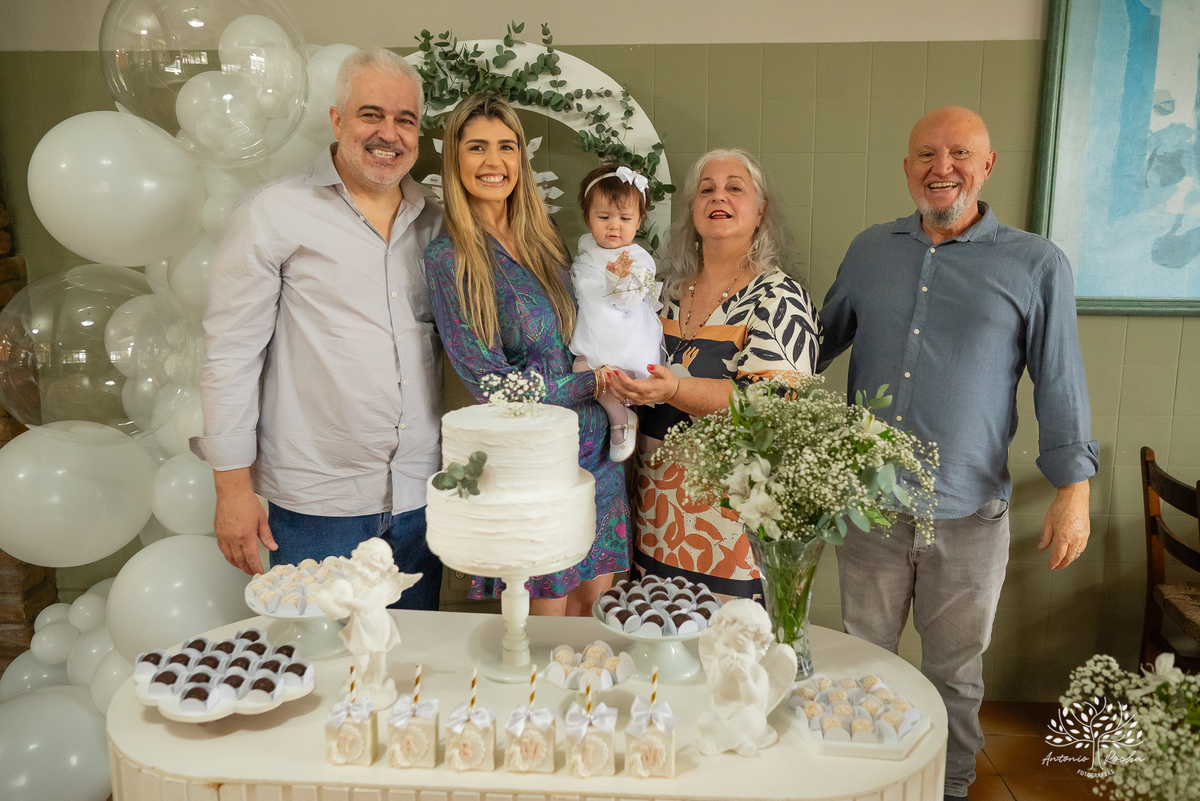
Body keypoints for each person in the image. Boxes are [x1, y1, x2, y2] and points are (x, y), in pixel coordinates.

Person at [818, 105, 1099, 800]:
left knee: (955, 672)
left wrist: (1075, 490)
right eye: (925, 155)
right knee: (860, 658)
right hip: (871, 510)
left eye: (959, 154)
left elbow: (1060, 377)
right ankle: (865, 779)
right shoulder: (870, 250)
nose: (942, 168)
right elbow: (807, 345)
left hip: (970, 510)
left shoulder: (1036, 263)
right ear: (907, 167)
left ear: (988, 165)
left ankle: (949, 785)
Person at [194, 48, 446, 611]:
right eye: (371, 114)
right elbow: (229, 357)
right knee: (322, 674)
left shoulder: (433, 219)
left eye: (405, 120)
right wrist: (232, 490)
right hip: (316, 504)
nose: (389, 134)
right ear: (337, 120)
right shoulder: (273, 212)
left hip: (419, 499)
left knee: (408, 671)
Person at [423, 93, 630, 617]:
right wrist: (597, 384)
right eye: (477, 148)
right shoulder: (451, 258)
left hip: (599, 453)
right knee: (544, 631)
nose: (494, 163)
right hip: (537, 466)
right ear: (454, 160)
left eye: (506, 147)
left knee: (597, 614)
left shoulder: (547, 240)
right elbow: (495, 388)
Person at [608, 149, 821, 600]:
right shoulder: (662, 289)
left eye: (734, 187)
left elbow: (774, 406)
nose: (718, 196)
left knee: (726, 657)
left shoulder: (780, 298)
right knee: (657, 649)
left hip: (731, 523)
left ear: (760, 210)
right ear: (692, 210)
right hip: (653, 514)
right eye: (707, 189)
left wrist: (676, 389)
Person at [569, 164, 664, 462]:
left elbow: (630, 301)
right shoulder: (585, 248)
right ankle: (616, 412)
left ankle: (620, 418)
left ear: (639, 222)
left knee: (607, 375)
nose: (614, 226)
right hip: (592, 326)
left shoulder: (640, 259)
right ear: (587, 217)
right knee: (581, 371)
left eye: (625, 218)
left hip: (623, 331)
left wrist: (619, 278)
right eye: (603, 217)